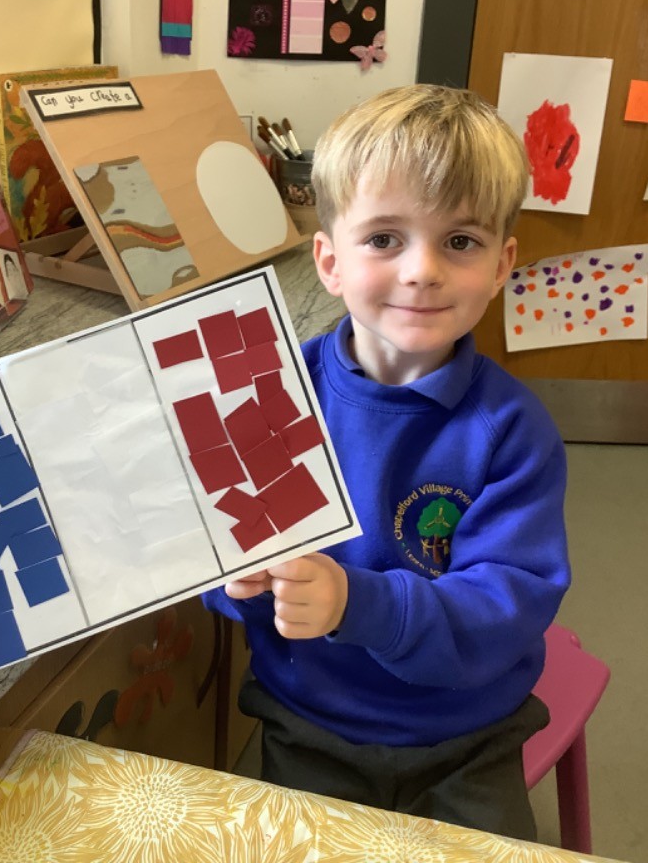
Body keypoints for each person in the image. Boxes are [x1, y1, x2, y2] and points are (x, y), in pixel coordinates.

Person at [203, 85, 571, 840]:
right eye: (384, 239)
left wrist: (355, 604)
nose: (421, 270)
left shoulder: (513, 432)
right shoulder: (272, 394)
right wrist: (230, 582)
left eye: (460, 241)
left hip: (466, 736)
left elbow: (508, 604)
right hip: (308, 720)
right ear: (329, 261)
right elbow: (218, 544)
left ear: (502, 264)